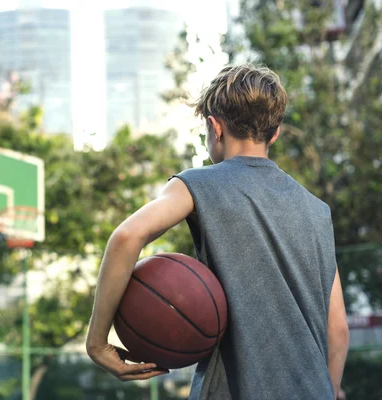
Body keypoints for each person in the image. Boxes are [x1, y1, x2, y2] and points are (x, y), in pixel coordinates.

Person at [86, 63, 350, 399]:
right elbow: (338, 331)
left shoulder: (199, 184)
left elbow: (126, 236)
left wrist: (97, 343)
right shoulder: (316, 210)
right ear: (276, 132)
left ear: (215, 128)